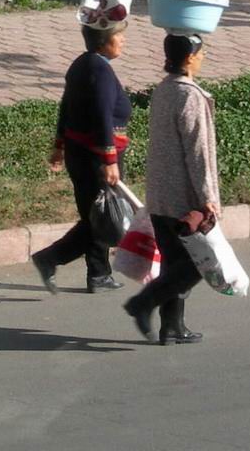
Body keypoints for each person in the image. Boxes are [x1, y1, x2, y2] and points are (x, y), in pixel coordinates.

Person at [123, 33, 219, 345]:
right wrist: (207, 197)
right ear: (189, 58)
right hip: (182, 197)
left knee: (172, 261)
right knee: (197, 265)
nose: (203, 57)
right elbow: (197, 152)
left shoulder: (164, 89)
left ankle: (172, 326)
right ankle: (143, 303)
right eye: (201, 53)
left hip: (160, 193)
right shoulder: (190, 96)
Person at [32, 22, 131, 294]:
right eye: (118, 35)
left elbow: (66, 107)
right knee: (102, 217)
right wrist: (109, 160)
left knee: (97, 213)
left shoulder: (82, 64)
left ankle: (99, 273)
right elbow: (102, 116)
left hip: (80, 153)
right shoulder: (100, 71)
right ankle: (50, 258)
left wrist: (59, 145)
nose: (123, 40)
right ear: (103, 41)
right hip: (95, 158)